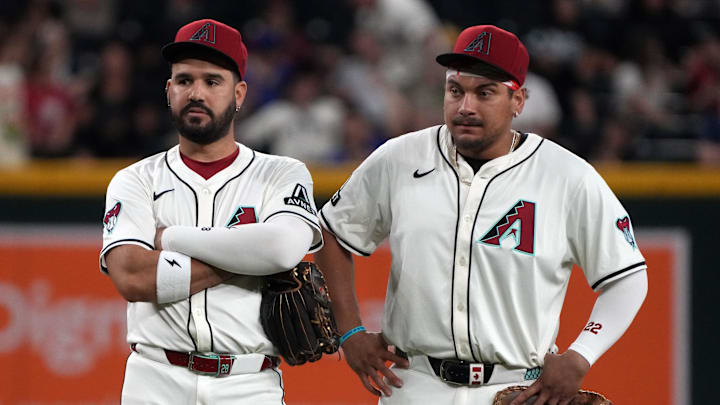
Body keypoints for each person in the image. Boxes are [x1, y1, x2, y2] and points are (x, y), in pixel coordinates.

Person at [314, 25, 648, 405]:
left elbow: (628, 277)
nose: (465, 106)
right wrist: (349, 331)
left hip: (517, 387)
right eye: (455, 90)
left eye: (484, 92)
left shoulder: (567, 177)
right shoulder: (399, 158)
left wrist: (581, 353)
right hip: (416, 383)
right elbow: (332, 232)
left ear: (518, 100)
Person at [99, 19, 322, 404]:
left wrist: (168, 238)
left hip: (248, 384)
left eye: (212, 81)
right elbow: (132, 276)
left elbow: (282, 251)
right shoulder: (135, 179)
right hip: (155, 380)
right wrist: (250, 257)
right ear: (169, 91)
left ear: (239, 94)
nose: (196, 92)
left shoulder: (281, 174)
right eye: (184, 81)